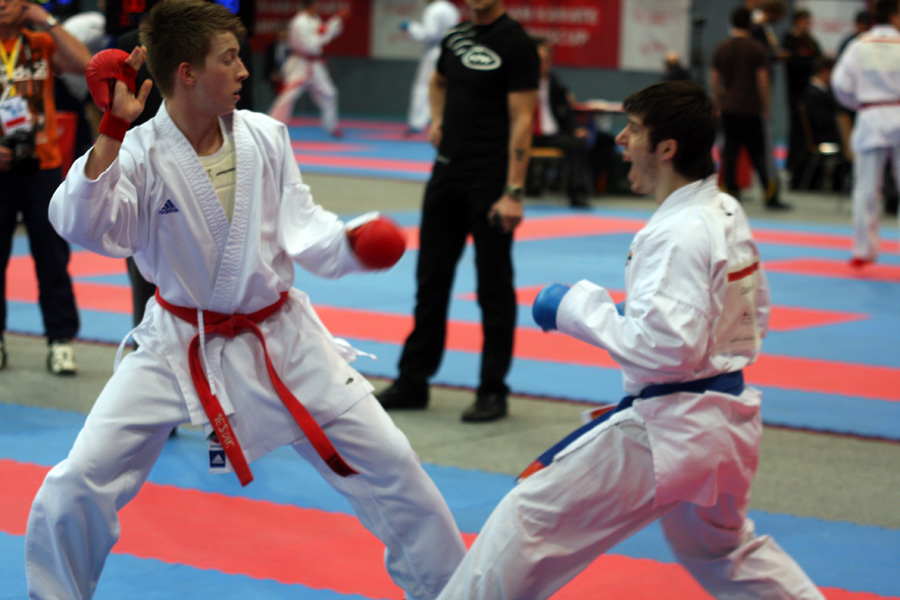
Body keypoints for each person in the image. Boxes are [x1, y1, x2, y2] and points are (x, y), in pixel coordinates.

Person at [24, 2, 466, 599]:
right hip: (177, 342)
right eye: (228, 58)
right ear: (186, 73)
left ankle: (453, 591)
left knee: (396, 467)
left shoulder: (266, 136)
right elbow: (82, 224)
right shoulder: (139, 151)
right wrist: (109, 133)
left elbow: (302, 224)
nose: (243, 71)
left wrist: (352, 243)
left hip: (282, 339)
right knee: (78, 480)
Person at [434, 80, 825, 600]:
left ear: (666, 149)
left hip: (670, 429)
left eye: (634, 130)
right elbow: (743, 314)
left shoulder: (678, 232)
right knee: (723, 553)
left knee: (528, 521)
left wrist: (575, 310)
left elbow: (665, 349)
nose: (620, 140)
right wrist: (639, 315)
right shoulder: (723, 210)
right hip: (727, 422)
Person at [376, 0, 539, 422]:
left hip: (491, 180)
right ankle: (413, 381)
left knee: (493, 287)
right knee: (430, 281)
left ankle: (493, 389)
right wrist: (436, 120)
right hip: (447, 175)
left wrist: (514, 190)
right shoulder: (455, 37)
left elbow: (523, 119)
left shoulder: (517, 43)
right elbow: (437, 81)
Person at [0, 0, 90, 373]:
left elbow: (86, 65)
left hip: (43, 167)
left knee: (53, 258)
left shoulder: (40, 42)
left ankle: (60, 340)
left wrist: (48, 21)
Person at [832, 0, 900, 267]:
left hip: (870, 115)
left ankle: (864, 249)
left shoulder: (858, 45)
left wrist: (860, 104)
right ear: (895, 16)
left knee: (866, 188)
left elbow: (840, 85)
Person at [711, 6, 789, 210]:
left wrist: (719, 103)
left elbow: (715, 79)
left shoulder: (723, 47)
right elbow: (762, 81)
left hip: (729, 108)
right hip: (751, 109)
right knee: (759, 153)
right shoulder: (756, 48)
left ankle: (731, 192)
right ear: (750, 25)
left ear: (731, 23)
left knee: (730, 151)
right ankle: (770, 196)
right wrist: (766, 107)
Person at [267, 0, 345, 137]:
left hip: (314, 65)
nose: (319, 6)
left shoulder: (314, 19)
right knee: (288, 97)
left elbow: (324, 33)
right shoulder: (299, 22)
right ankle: (270, 127)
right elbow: (310, 46)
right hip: (300, 64)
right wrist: (324, 33)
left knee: (329, 94)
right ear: (312, 5)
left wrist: (335, 21)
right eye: (317, 4)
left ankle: (331, 127)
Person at [530, 35, 591, 208]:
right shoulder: (519, 83)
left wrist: (576, 129)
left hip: (551, 134)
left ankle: (577, 194)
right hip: (526, 134)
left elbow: (567, 113)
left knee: (577, 143)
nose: (543, 65)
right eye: (539, 61)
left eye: (546, 61)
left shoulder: (555, 84)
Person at [399, 0, 459, 136]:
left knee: (424, 86)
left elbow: (429, 34)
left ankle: (417, 123)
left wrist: (411, 27)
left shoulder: (434, 9)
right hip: (450, 51)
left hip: (435, 52)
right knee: (446, 87)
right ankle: (446, 121)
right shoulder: (451, 8)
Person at [782, 9, 822, 181]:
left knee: (808, 129)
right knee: (796, 128)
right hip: (795, 91)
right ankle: (792, 166)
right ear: (797, 21)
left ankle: (804, 166)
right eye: (805, 21)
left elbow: (817, 60)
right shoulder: (789, 39)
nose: (807, 25)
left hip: (809, 92)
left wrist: (800, 58)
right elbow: (791, 59)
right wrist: (801, 59)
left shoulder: (811, 41)